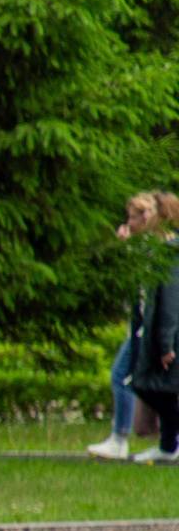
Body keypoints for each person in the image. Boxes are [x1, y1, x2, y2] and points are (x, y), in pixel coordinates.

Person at [90, 192, 177, 460]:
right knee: (144, 383)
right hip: (145, 328)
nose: (134, 222)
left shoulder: (167, 250)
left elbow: (167, 301)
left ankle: (128, 439)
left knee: (135, 380)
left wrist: (164, 341)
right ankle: (163, 444)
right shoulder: (151, 248)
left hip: (155, 331)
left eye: (140, 215)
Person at [129, 210, 179, 465]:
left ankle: (170, 444)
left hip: (163, 335)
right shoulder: (159, 252)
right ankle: (169, 445)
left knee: (150, 386)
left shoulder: (170, 255)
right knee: (158, 389)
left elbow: (170, 303)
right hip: (154, 333)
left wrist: (166, 343)